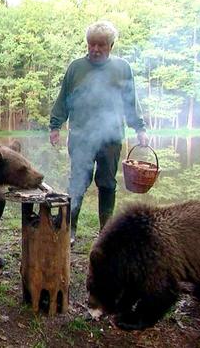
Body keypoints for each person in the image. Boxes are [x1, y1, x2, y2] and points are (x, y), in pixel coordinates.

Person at [49, 20, 148, 245]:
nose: (94, 49)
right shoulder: (76, 68)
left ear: (111, 45)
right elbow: (63, 99)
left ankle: (105, 233)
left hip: (111, 138)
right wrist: (55, 126)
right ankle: (70, 230)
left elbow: (131, 102)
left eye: (101, 45)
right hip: (81, 136)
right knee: (78, 181)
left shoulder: (122, 68)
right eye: (91, 44)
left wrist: (139, 128)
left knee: (107, 183)